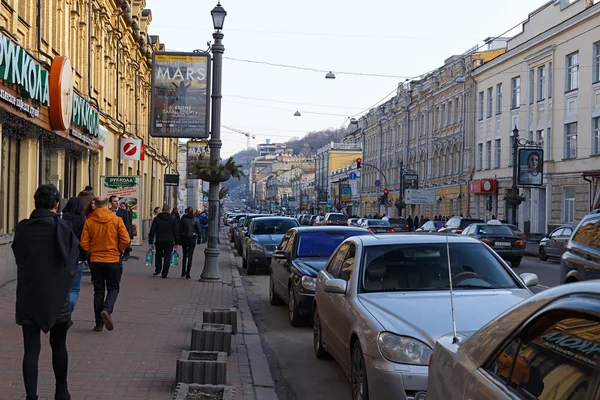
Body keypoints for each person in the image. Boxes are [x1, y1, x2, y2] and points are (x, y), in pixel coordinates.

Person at [13, 184, 79, 400]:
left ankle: (31, 396)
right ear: (56, 205)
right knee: (59, 345)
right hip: (57, 296)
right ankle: (62, 390)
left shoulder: (23, 228)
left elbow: (19, 256)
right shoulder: (62, 228)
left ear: (35, 203)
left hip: (29, 294)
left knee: (31, 350)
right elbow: (72, 261)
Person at [80, 196, 130, 332]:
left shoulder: (89, 222)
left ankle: (99, 323)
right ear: (108, 205)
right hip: (113, 259)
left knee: (98, 290)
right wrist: (119, 249)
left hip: (96, 260)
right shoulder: (116, 220)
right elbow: (126, 239)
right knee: (113, 288)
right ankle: (107, 309)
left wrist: (92, 250)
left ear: (95, 205)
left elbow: (83, 243)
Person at [61, 197, 87, 313]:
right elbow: (85, 241)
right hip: (78, 258)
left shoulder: (61, 220)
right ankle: (69, 310)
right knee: (75, 288)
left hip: (62, 257)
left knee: (63, 288)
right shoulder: (83, 221)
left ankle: (62, 311)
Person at [149, 205, 179, 278]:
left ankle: (158, 269)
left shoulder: (157, 218)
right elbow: (176, 231)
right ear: (169, 210)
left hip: (159, 239)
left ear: (162, 210)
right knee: (167, 256)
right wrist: (176, 242)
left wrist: (150, 241)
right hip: (169, 240)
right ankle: (165, 273)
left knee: (158, 255)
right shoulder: (172, 219)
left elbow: (152, 230)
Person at [179, 206, 201, 279]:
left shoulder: (183, 218)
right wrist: (199, 240)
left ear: (187, 211)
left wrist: (179, 240)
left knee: (184, 255)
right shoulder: (196, 219)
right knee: (190, 256)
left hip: (184, 238)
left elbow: (180, 229)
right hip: (192, 238)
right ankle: (188, 273)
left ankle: (182, 272)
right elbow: (199, 230)